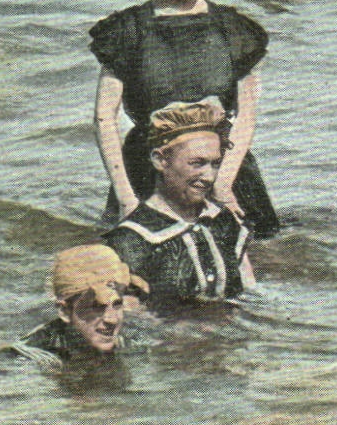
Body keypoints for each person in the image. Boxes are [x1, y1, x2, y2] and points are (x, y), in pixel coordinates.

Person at [90, 0, 278, 237]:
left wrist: (223, 185)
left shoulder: (235, 30)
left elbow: (247, 117)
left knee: (259, 260)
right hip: (148, 175)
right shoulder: (126, 32)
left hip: (225, 172)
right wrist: (126, 198)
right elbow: (105, 118)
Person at [97, 99, 254, 309]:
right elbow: (130, 315)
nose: (209, 177)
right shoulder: (130, 240)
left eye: (215, 164)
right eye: (197, 163)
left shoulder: (223, 221)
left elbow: (249, 291)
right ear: (160, 160)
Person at [12, 244, 148, 364]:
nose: (112, 320)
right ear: (65, 312)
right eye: (97, 307)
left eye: (117, 305)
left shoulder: (129, 342)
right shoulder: (31, 358)